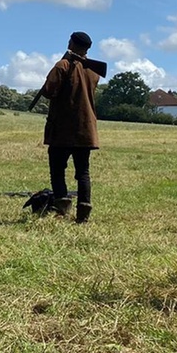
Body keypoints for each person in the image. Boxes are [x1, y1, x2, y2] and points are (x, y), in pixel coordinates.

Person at [40, 31, 101, 224]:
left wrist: (63, 62)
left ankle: (63, 208)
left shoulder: (63, 65)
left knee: (57, 169)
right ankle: (83, 212)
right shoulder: (93, 70)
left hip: (63, 129)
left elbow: (48, 91)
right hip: (85, 129)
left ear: (72, 44)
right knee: (82, 171)